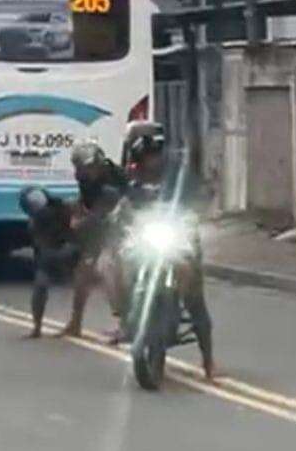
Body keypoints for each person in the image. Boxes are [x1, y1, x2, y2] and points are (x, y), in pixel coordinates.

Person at [116, 123, 216, 380]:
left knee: (194, 293)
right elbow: (122, 202)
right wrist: (120, 215)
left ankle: (208, 360)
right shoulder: (131, 175)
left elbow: (200, 195)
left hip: (177, 234)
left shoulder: (178, 174)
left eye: (155, 154)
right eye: (146, 155)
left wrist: (197, 212)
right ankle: (126, 314)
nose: (151, 160)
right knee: (119, 264)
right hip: (144, 236)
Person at [62, 142, 127, 340]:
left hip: (122, 226)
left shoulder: (114, 178)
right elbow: (85, 200)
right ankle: (75, 322)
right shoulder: (84, 178)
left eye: (88, 168)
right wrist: (76, 210)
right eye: (81, 168)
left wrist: (81, 222)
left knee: (108, 269)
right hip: (100, 226)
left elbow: (103, 211)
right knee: (83, 272)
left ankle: (125, 322)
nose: (84, 172)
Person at [19, 186, 79, 339]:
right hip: (55, 254)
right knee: (41, 286)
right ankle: (38, 326)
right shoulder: (38, 221)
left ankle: (40, 327)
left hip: (67, 250)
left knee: (82, 287)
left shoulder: (61, 209)